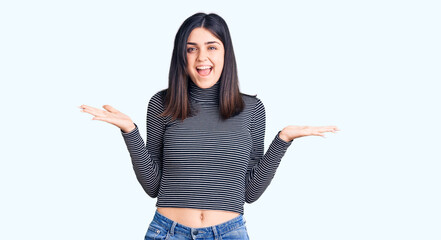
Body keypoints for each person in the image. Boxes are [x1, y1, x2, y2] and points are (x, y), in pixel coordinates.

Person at [79, 12, 339, 240]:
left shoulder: (252, 109)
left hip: (230, 233)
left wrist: (283, 140)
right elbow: (153, 187)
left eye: (211, 47)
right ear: (182, 55)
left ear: (226, 51)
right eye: (191, 49)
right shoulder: (162, 103)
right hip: (168, 231)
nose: (201, 57)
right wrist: (130, 132)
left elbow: (249, 192)